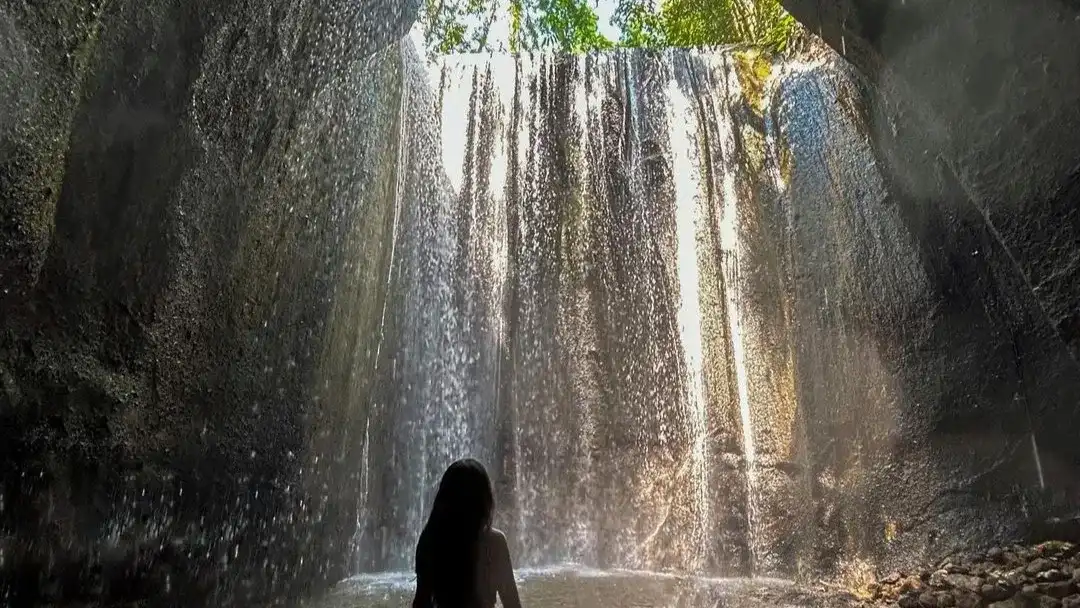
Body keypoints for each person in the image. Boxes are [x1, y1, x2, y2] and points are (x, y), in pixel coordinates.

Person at [412, 458, 523, 608]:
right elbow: (512, 604)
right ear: (485, 500)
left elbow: (421, 602)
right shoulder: (495, 542)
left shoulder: (430, 541)